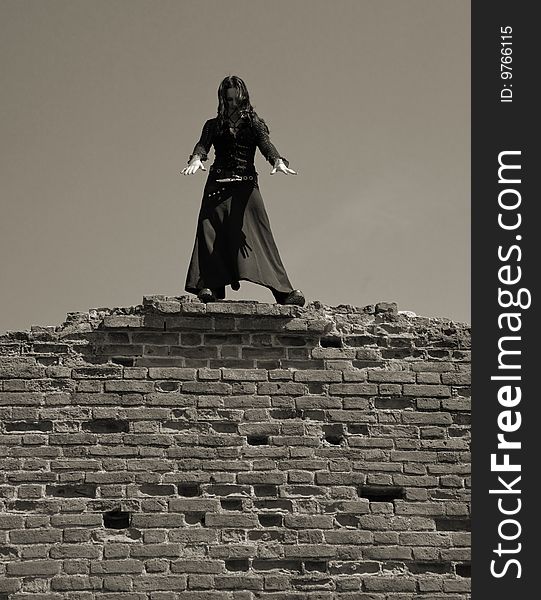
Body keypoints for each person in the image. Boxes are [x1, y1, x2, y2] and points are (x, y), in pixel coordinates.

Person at [181, 75, 305, 306]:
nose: (231, 104)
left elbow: (265, 144)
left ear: (243, 98)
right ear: (222, 100)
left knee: (260, 234)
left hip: (246, 187)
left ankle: (283, 292)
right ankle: (210, 287)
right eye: (227, 100)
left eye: (235, 99)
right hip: (217, 186)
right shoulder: (213, 125)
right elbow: (202, 144)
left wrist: (277, 160)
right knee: (210, 232)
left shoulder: (254, 124)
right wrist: (196, 158)